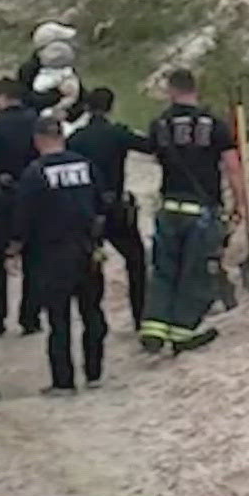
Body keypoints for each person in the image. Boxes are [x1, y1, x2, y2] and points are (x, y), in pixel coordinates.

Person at [140, 68, 247, 355]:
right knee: (194, 273)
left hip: (169, 208)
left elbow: (155, 156)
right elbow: (233, 166)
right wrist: (240, 204)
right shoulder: (214, 124)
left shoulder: (159, 124)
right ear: (194, 89)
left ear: (171, 91)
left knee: (164, 270)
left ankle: (153, 326)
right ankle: (182, 332)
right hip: (201, 210)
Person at [11, 114, 108, 395]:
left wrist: (15, 247)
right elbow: (103, 203)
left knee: (59, 318)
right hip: (88, 248)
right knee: (92, 312)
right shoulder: (86, 165)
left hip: (52, 252)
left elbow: (24, 216)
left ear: (38, 140)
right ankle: (94, 372)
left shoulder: (35, 172)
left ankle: (63, 381)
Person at [65, 86, 151, 331]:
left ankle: (94, 317)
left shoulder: (76, 138)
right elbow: (149, 146)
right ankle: (140, 315)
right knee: (135, 260)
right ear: (111, 107)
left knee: (90, 264)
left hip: (87, 209)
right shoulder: (117, 134)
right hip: (116, 208)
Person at [0, 77, 41, 336]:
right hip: (34, 198)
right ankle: (30, 316)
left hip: (1, 199)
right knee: (33, 260)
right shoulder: (35, 121)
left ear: (1, 98)